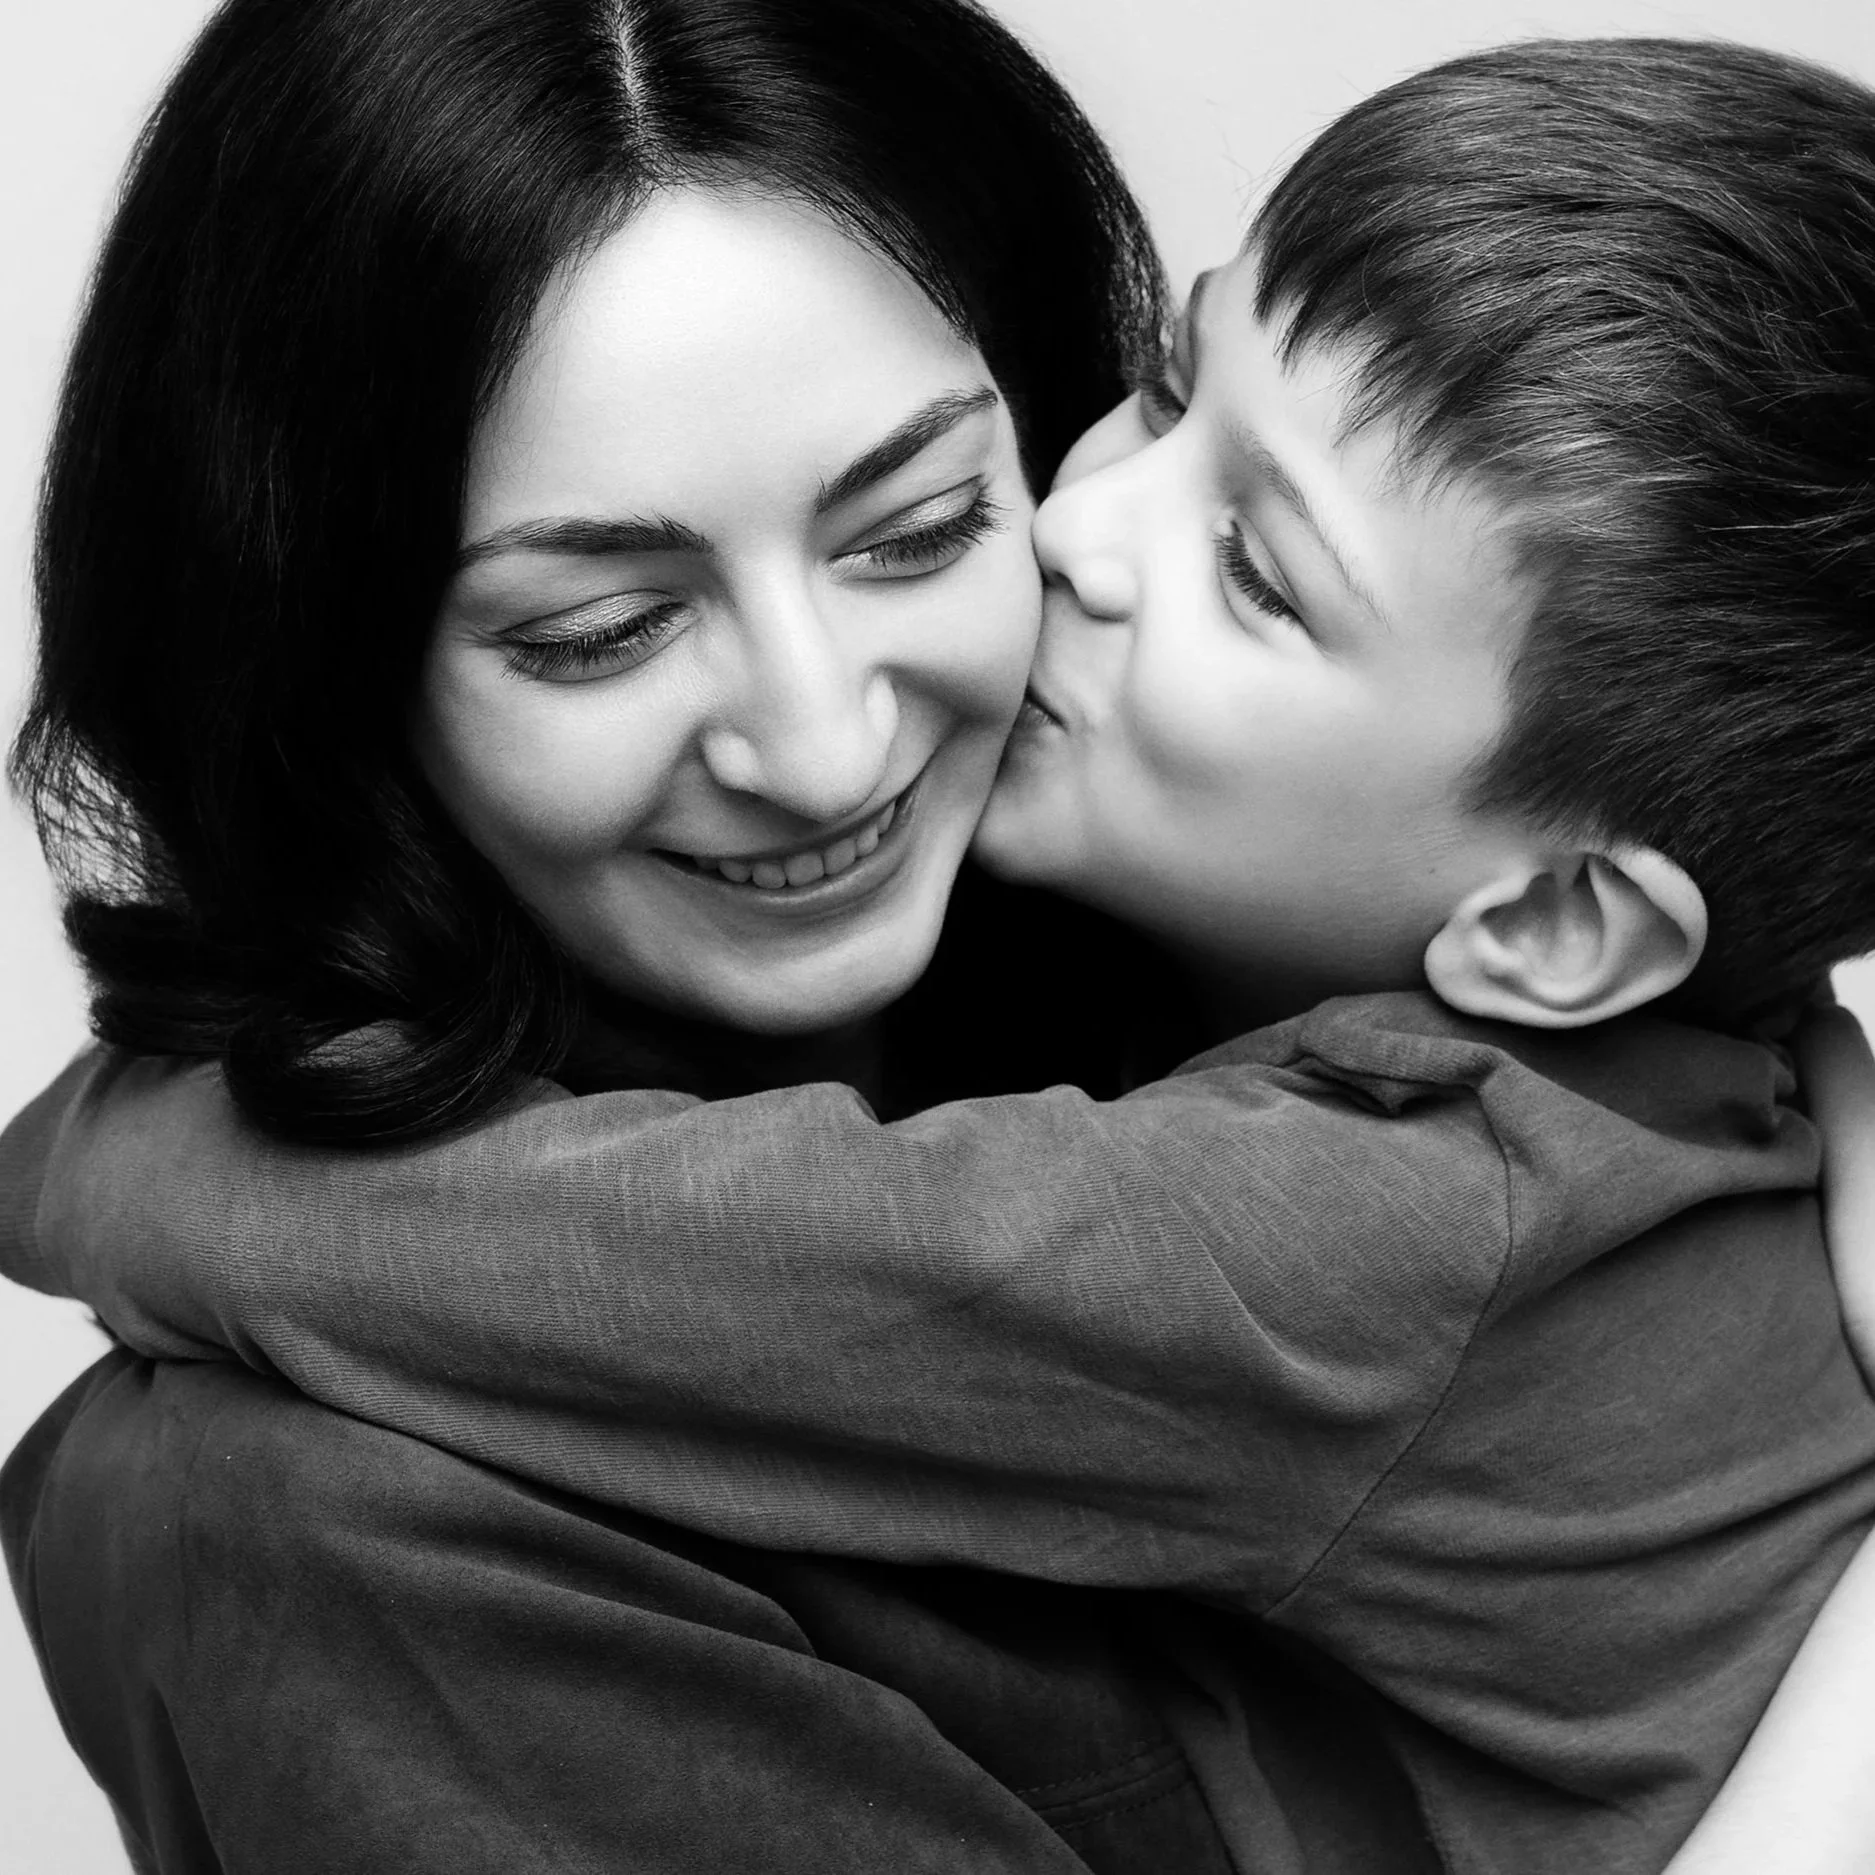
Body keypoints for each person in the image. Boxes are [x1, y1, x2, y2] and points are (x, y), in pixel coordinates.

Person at [13, 31, 1875, 1875]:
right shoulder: (1644, 1053)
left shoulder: (1404, 1223)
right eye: (594, 628)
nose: (1080, 528)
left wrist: (128, 1148)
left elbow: (645, 1272)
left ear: (1561, 931)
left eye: (923, 522)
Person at [0, 1, 1260, 1871]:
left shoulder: (1284, 939)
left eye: (916, 527)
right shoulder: (330, 1519)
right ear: (319, 675)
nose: (824, 741)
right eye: (598, 630)